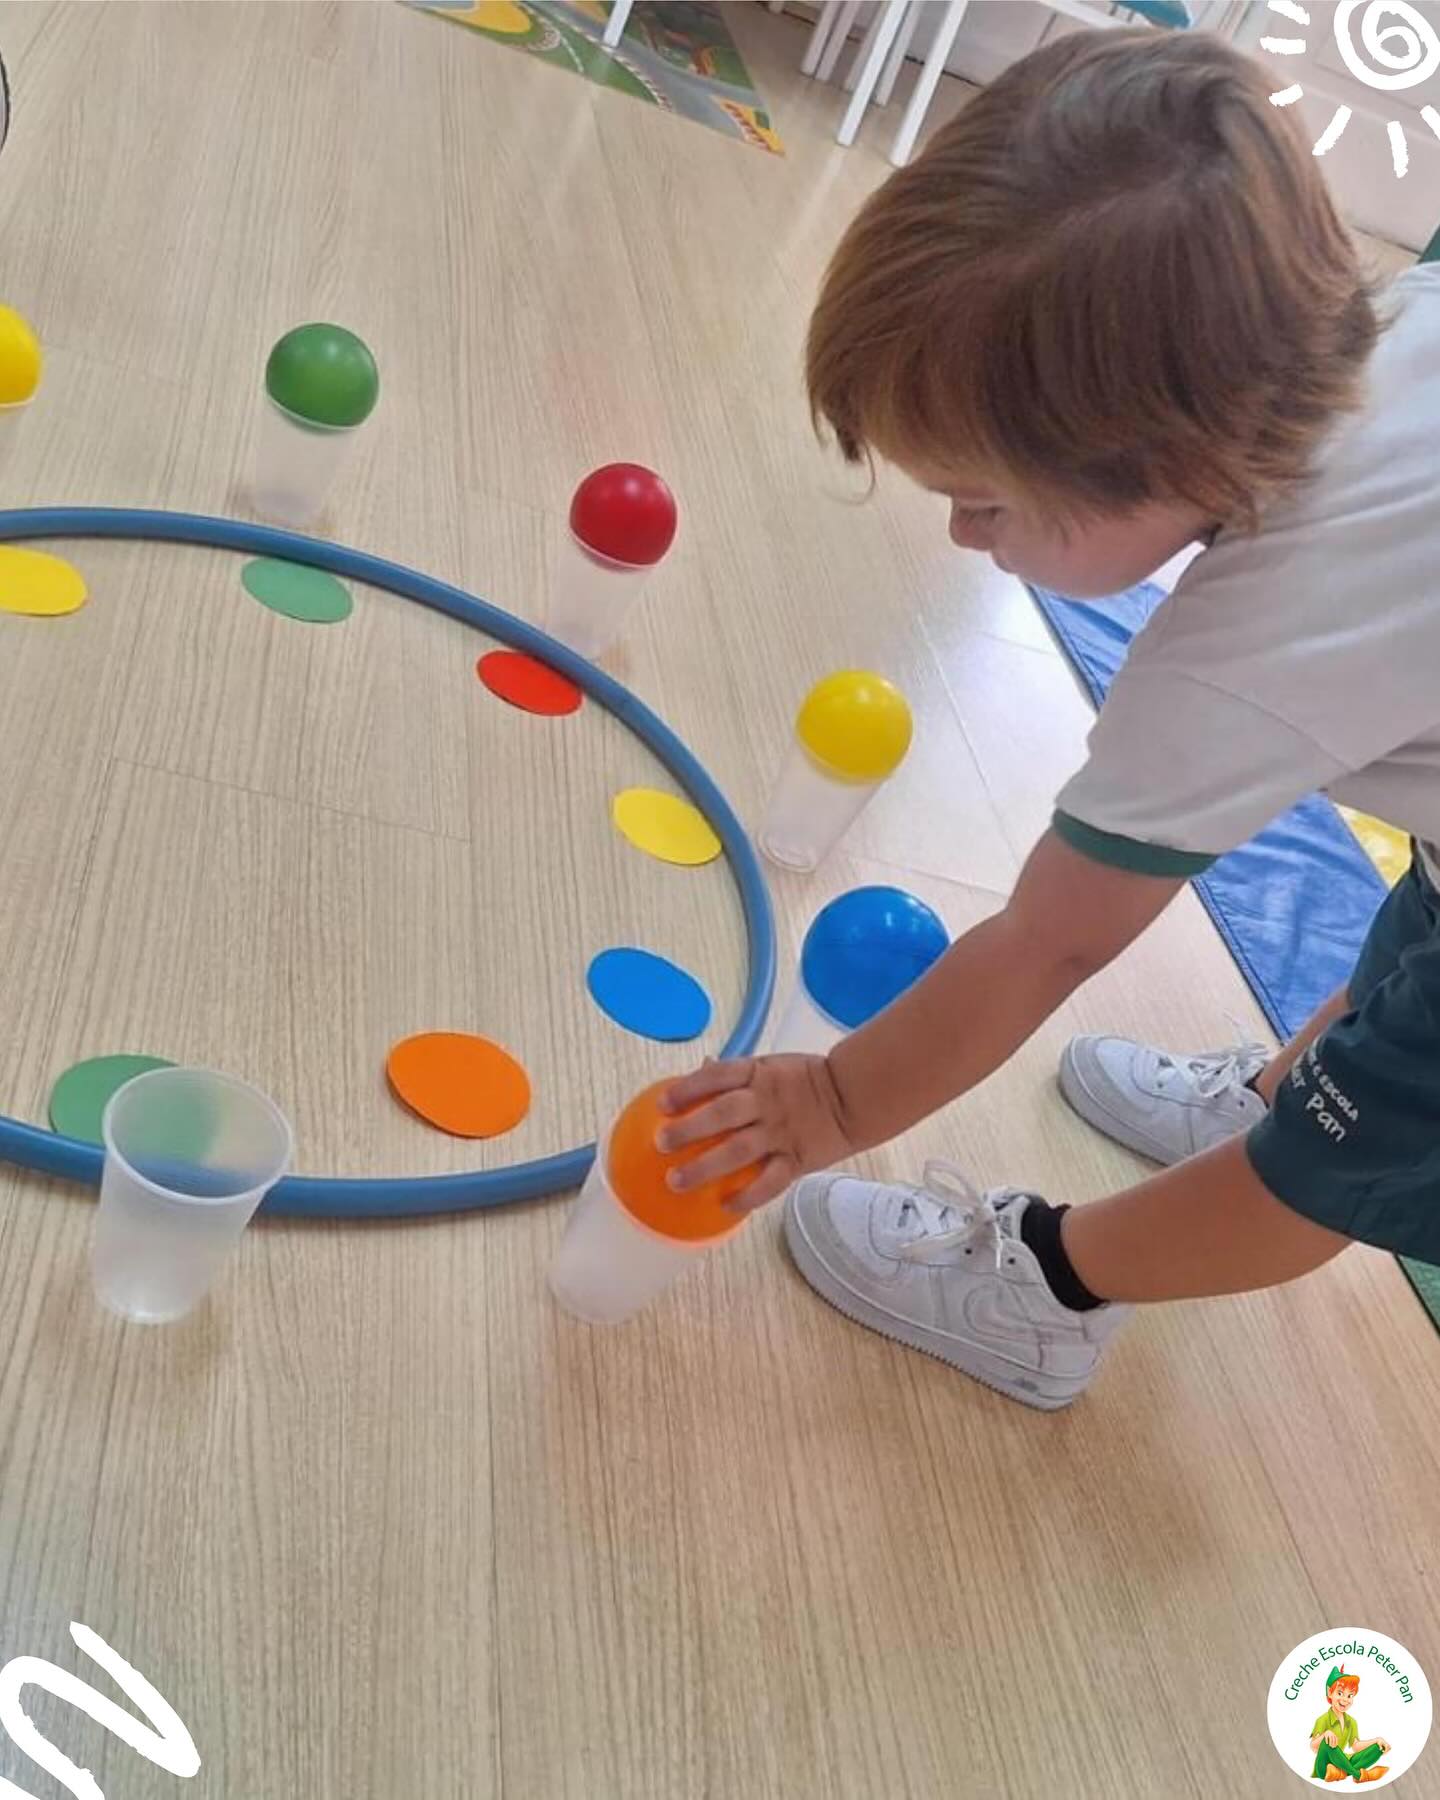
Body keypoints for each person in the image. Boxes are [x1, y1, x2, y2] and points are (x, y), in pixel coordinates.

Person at [657, 27, 1440, 1411]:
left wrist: (829, 1104)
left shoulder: (1244, 650)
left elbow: (1051, 939)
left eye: (987, 500)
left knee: (1346, 1156)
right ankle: (1273, 1087)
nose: (962, 535)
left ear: (1179, 461)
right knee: (1407, 950)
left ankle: (1049, 1288)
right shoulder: (1400, 330)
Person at [1310, 1665, 1390, 1783]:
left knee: (1378, 1748)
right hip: (1324, 1767)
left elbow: (1356, 1746)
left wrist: (1376, 1740)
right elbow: (1313, 1746)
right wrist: (1325, 1734)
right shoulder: (1322, 1719)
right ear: (1330, 1693)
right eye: (1340, 1693)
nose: (1345, 1699)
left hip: (1342, 1762)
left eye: (1350, 1695)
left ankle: (1340, 1772)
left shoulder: (1351, 1722)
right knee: (1327, 1743)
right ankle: (1359, 1775)